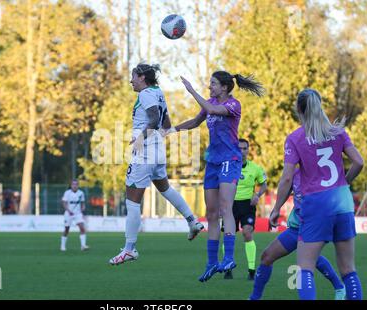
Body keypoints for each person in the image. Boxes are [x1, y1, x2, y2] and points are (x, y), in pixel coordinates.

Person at [169, 71, 264, 282]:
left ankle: (228, 257)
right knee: (211, 214)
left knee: (224, 208)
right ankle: (211, 263)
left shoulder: (233, 105)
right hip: (212, 162)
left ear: (224, 87)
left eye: (213, 83)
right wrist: (171, 129)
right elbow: (195, 121)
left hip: (230, 159)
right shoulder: (210, 102)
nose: (210, 86)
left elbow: (211, 109)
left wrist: (191, 89)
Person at [269, 88, 364, 300]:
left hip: (316, 203)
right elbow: (359, 162)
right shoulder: (337, 131)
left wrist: (276, 209)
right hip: (342, 201)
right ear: (319, 106)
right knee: (348, 269)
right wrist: (344, 183)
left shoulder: (295, 138)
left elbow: (286, 179)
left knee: (305, 268)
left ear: (299, 110)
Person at [109, 63, 204, 266]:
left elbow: (153, 119)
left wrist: (141, 138)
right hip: (157, 150)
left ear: (142, 77)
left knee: (132, 202)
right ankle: (192, 220)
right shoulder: (158, 92)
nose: (131, 80)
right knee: (165, 188)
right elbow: (166, 124)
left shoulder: (145, 94)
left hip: (145, 153)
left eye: (133, 76)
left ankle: (129, 249)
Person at [249, 169, 346, 300]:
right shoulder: (294, 173)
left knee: (306, 262)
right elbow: (287, 189)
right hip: (296, 227)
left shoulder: (321, 170)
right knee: (267, 256)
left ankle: (340, 288)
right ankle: (254, 298)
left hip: (313, 226)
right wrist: (276, 209)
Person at [223, 138, 267, 280]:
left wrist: (258, 195)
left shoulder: (255, 168)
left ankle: (252, 270)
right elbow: (219, 185)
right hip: (230, 205)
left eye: (244, 148)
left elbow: (263, 184)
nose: (242, 151)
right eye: (239, 148)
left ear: (248, 150)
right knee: (229, 236)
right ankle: (227, 267)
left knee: (247, 233)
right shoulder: (227, 167)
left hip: (247, 206)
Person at [60, 179, 89, 251]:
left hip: (77, 214)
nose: (75, 186)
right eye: (73, 184)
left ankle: (83, 246)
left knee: (82, 227)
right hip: (68, 213)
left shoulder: (81, 193)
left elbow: (82, 203)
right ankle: (62, 246)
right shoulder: (67, 193)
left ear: (78, 185)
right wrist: (68, 210)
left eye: (76, 184)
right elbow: (64, 203)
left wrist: (83, 208)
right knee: (67, 230)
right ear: (71, 185)